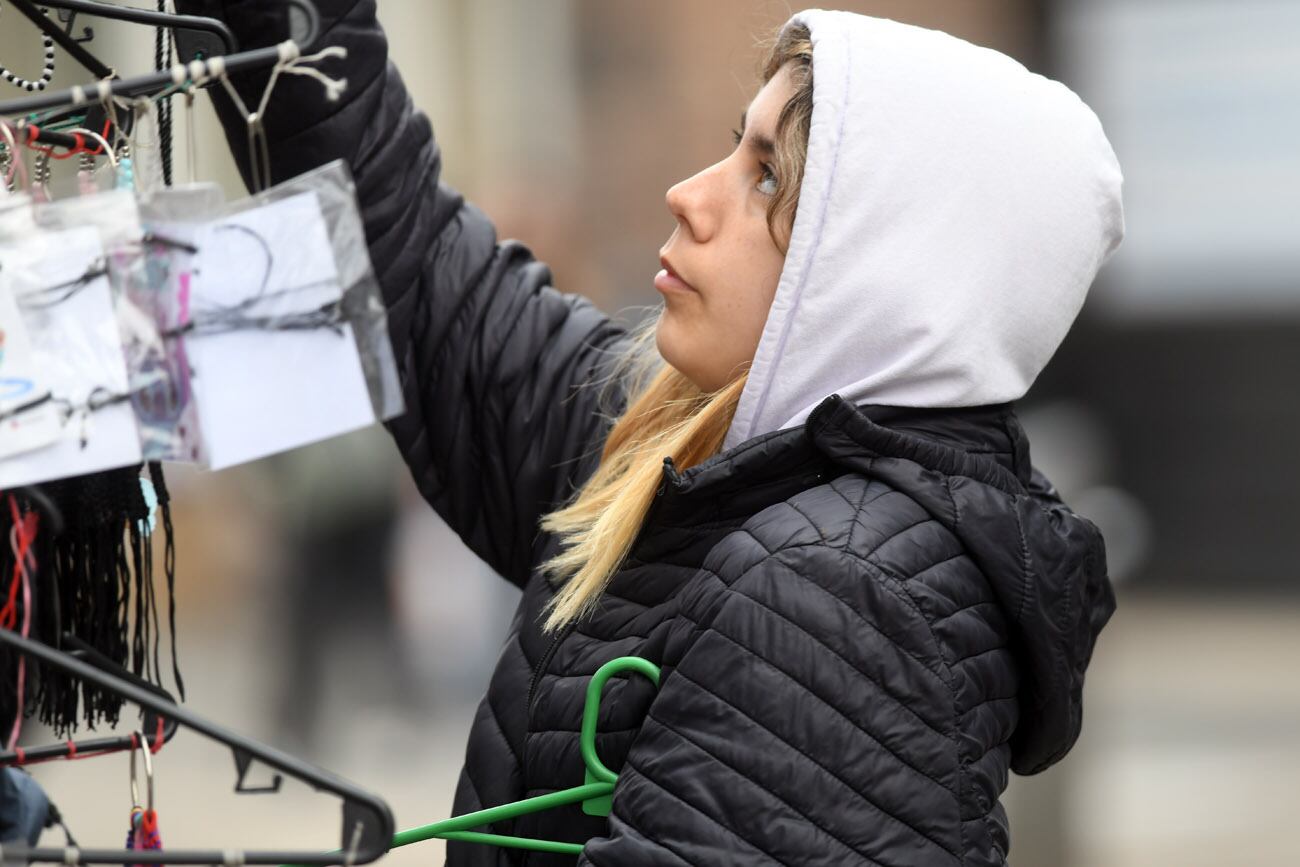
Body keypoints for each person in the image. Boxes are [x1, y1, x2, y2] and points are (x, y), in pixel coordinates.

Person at [181, 2, 1124, 864]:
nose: (689, 194)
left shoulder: (834, 592)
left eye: (768, 179)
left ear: (885, 272)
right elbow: (424, 276)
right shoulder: (704, 458)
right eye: (732, 148)